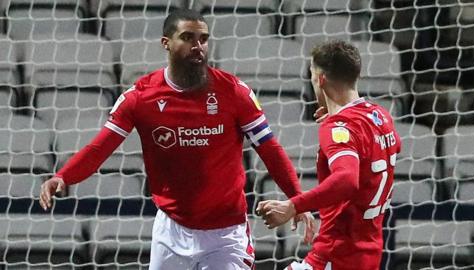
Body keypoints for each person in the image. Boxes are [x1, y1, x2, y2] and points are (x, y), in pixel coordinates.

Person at [39, 9, 314, 270]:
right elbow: (101, 146)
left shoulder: (234, 92)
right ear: (166, 43)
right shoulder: (140, 97)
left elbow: (269, 149)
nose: (198, 46)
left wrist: (297, 199)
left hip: (226, 233)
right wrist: (64, 176)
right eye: (188, 38)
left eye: (203, 39)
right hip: (171, 230)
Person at [256, 40, 402, 270]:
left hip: (336, 255)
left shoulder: (338, 127)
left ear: (320, 79)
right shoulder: (381, 117)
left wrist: (293, 206)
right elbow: (381, 152)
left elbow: (347, 179)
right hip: (368, 254)